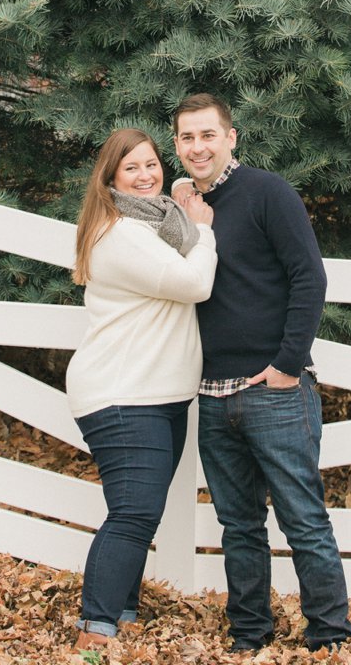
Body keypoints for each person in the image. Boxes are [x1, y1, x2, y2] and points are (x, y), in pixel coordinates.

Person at [173, 94, 351, 654]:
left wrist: (286, 364)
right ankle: (249, 634)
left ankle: (330, 633)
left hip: (273, 391)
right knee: (239, 526)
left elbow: (310, 277)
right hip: (210, 392)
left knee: (303, 519)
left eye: (208, 135)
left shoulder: (267, 192)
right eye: (186, 138)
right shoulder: (181, 207)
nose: (197, 147)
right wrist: (180, 200)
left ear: (232, 137)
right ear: (176, 145)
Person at [66, 128, 217, 653]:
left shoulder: (150, 224)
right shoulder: (120, 234)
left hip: (158, 393)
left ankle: (120, 615)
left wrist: (180, 204)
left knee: (138, 509)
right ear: (111, 179)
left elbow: (173, 231)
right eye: (131, 168)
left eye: (151, 163)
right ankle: (95, 629)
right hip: (123, 390)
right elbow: (194, 283)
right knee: (134, 511)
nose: (146, 175)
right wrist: (205, 231)